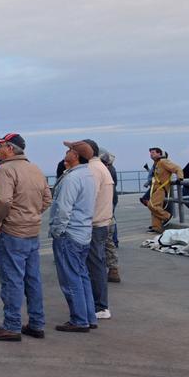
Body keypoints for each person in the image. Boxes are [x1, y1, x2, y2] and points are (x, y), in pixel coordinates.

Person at [0, 133, 51, 342]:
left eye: (1, 145)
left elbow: (2, 202)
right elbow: (47, 198)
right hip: (32, 230)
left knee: (12, 279)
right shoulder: (35, 169)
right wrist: (31, 214)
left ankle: (12, 325)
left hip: (12, 232)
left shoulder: (5, 170)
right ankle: (37, 323)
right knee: (33, 279)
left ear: (11, 149)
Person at [48, 143, 97, 333]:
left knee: (70, 279)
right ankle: (89, 316)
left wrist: (57, 231)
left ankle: (79, 319)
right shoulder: (88, 175)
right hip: (84, 232)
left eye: (69, 150)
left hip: (70, 234)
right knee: (82, 275)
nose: (66, 152)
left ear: (75, 155)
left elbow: (63, 208)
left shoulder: (72, 178)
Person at [67, 139, 113, 320]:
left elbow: (86, 199)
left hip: (92, 224)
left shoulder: (92, 170)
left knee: (94, 266)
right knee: (96, 264)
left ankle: (100, 306)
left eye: (72, 150)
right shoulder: (101, 167)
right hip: (102, 222)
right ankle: (98, 304)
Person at [145, 147, 183, 233]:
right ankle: (156, 227)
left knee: (152, 205)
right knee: (155, 207)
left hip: (161, 188)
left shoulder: (163, 162)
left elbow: (177, 168)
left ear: (159, 154)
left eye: (153, 153)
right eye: (150, 153)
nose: (151, 154)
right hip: (155, 188)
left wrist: (180, 178)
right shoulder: (157, 163)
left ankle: (167, 216)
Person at [100, 150, 121, 283]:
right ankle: (113, 269)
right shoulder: (111, 169)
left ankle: (99, 271)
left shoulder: (99, 171)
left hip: (101, 211)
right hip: (110, 206)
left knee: (100, 242)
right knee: (109, 241)